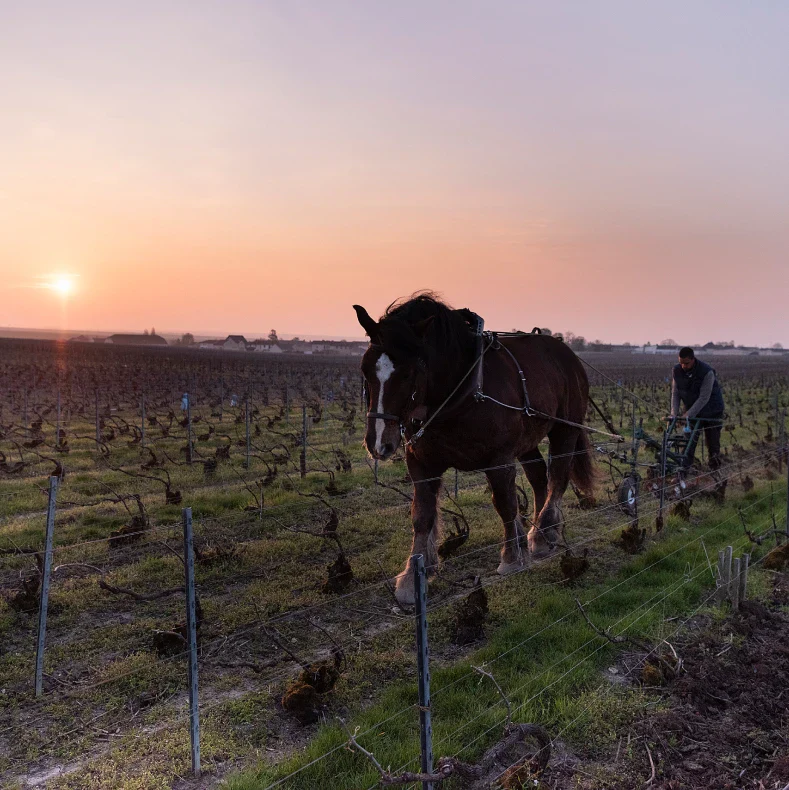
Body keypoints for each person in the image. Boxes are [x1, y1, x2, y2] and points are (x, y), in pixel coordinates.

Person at [670, 347, 725, 469]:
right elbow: (676, 393)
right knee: (688, 443)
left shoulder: (707, 372)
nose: (683, 366)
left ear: (693, 359)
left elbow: (704, 398)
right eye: (681, 363)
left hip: (712, 410)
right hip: (691, 409)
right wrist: (674, 413)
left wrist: (688, 414)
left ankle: (715, 472)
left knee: (713, 444)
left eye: (686, 363)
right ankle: (683, 472)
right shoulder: (677, 371)